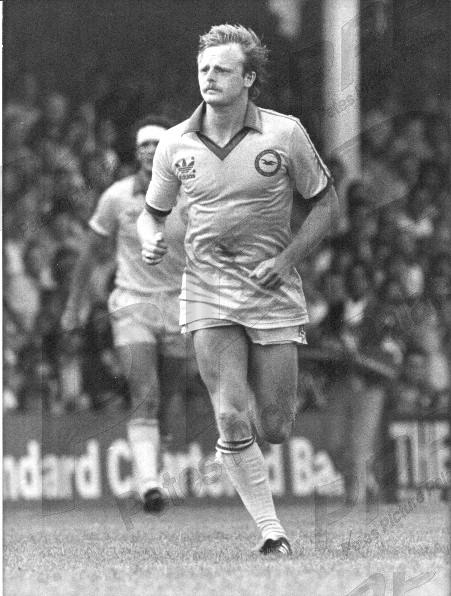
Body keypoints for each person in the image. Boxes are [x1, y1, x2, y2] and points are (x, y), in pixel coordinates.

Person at [137, 24, 339, 554]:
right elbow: (151, 213)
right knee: (229, 414)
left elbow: (327, 204)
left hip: (271, 290)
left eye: (223, 69)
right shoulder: (175, 142)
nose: (210, 77)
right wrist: (151, 237)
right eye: (204, 68)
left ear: (248, 78)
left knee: (274, 426)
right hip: (206, 287)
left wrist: (287, 259)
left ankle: (246, 449)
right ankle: (272, 532)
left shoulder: (284, 134)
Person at [62, 115, 188, 512]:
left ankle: (153, 471)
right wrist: (73, 306)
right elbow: (88, 253)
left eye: (157, 144)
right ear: (136, 152)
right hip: (132, 303)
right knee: (145, 392)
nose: (149, 151)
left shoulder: (191, 195)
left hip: (181, 306)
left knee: (165, 399)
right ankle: (149, 485)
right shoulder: (116, 197)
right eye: (143, 145)